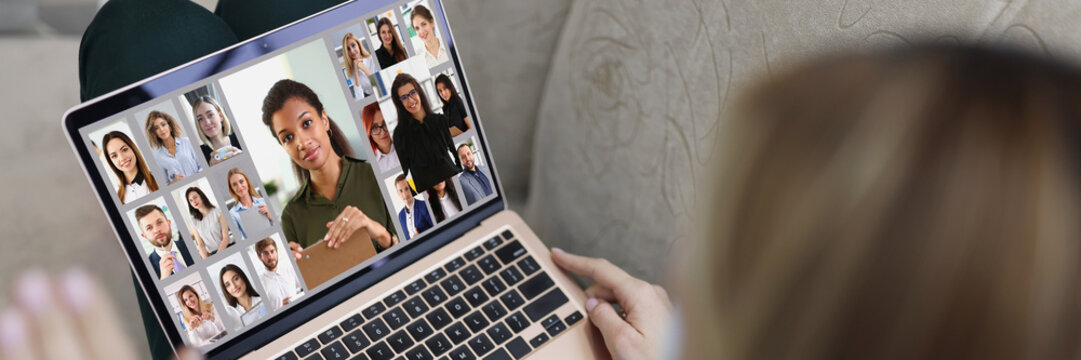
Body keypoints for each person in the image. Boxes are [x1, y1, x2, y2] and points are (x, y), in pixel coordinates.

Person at [261, 79, 397, 256]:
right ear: (283, 147)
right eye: (287, 138)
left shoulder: (377, 175)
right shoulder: (291, 217)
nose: (302, 142)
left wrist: (381, 235)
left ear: (324, 120)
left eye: (306, 123)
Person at [391, 73, 461, 193]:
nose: (410, 100)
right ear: (400, 103)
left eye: (412, 92)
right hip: (427, 191)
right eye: (404, 97)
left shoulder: (441, 120)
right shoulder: (400, 134)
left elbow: (454, 151)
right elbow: (404, 171)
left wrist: (459, 172)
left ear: (419, 92)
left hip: (452, 181)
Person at [134, 204, 194, 281]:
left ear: (169, 223)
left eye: (159, 222)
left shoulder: (192, 245)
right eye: (149, 228)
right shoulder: (146, 269)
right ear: (144, 236)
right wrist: (164, 279)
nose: (156, 230)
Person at [145, 110, 203, 185]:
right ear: (154, 133)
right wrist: (175, 182)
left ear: (170, 126)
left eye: (163, 124)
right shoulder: (158, 158)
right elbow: (164, 185)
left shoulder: (187, 142)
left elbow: (202, 166)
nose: (161, 129)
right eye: (156, 128)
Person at [102, 131, 160, 204]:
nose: (122, 158)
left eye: (124, 150)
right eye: (114, 156)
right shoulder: (116, 196)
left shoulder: (159, 178)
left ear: (133, 149)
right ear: (111, 162)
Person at [191, 96, 243, 166]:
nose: (207, 122)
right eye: (200, 119)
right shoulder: (198, 154)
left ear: (220, 116)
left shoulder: (240, 138)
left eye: (210, 115)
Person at [254, 238, 303, 311]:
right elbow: (264, 313)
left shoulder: (290, 269)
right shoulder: (260, 285)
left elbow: (305, 289)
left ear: (276, 251)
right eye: (265, 253)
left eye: (272, 251)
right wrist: (281, 308)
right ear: (260, 258)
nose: (271, 257)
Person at [225, 168, 274, 240]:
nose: (239, 186)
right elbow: (239, 240)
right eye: (234, 184)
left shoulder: (263, 201)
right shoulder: (232, 213)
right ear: (232, 188)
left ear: (247, 182)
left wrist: (271, 217)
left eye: (241, 181)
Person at [184, 187, 231, 258]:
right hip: (213, 253)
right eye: (191, 200)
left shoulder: (218, 212)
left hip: (228, 247)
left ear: (201, 196)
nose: (194, 201)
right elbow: (200, 244)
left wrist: (218, 256)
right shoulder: (193, 222)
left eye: (195, 197)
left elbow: (226, 238)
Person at [361, 103, 399, 172]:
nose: (382, 132)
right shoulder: (371, 164)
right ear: (368, 132)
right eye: (375, 127)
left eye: (384, 123)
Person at [394, 174, 433, 240]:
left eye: (407, 188)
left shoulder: (425, 206)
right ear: (397, 193)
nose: (404, 194)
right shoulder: (400, 216)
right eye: (401, 191)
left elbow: (438, 229)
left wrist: (422, 236)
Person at [340, 32, 376, 99]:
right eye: (348, 49)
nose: (352, 51)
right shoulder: (349, 71)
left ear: (358, 45)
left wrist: (365, 69)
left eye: (353, 45)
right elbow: (359, 97)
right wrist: (356, 72)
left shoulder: (372, 59)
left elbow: (378, 86)